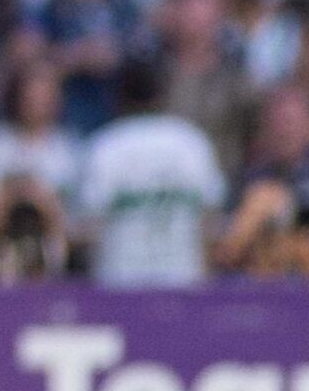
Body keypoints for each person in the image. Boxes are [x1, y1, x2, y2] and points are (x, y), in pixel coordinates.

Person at [78, 61, 228, 287]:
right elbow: (211, 220)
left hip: (119, 285)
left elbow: (88, 226)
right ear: (163, 92)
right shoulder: (191, 142)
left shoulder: (106, 145)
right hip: (184, 283)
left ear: (120, 95)